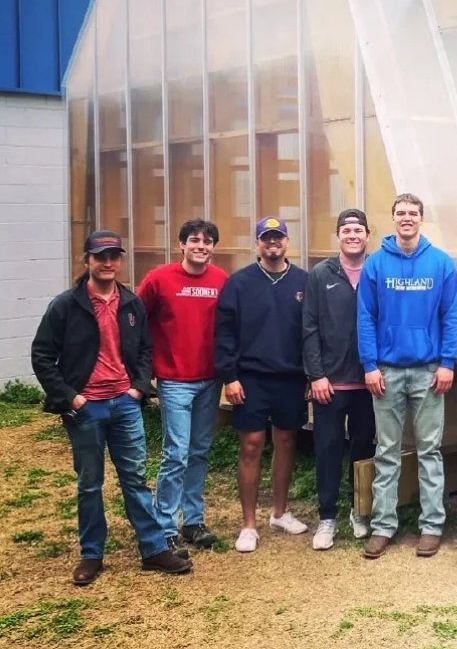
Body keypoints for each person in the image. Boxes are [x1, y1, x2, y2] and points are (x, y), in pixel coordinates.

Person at [30, 230, 192, 585]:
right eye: (100, 256)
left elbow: (146, 350)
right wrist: (71, 397)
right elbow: (42, 355)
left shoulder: (131, 303)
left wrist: (137, 388)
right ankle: (92, 555)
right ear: (87, 260)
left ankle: (153, 550)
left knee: (135, 479)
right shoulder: (66, 305)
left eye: (114, 256)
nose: (107, 263)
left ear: (120, 260)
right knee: (90, 483)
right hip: (86, 408)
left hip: (124, 405)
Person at [357, 194, 457, 560]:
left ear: (421, 219)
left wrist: (448, 362)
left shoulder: (441, 263)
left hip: (429, 370)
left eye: (413, 213)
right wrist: (369, 365)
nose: (406, 219)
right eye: (400, 213)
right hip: (386, 370)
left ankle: (431, 525)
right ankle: (384, 525)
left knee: (430, 449)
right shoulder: (376, 264)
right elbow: (366, 317)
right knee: (387, 450)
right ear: (393, 218)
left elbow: (451, 317)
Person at [214, 217, 310, 553]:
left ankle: (280, 513)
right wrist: (229, 375)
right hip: (250, 378)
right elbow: (224, 332)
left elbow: (310, 332)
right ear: (257, 244)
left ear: (287, 242)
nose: (273, 243)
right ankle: (249, 525)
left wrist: (311, 375)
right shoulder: (239, 283)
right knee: (251, 445)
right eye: (266, 238)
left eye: (278, 237)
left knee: (286, 440)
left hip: (290, 377)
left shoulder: (302, 281)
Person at [137, 218, 227, 556]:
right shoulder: (159, 279)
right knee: (176, 453)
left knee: (200, 451)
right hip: (174, 380)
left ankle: (193, 521)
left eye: (207, 241)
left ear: (213, 247)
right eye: (194, 240)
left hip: (209, 379)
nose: (201, 246)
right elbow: (135, 318)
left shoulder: (221, 280)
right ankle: (165, 525)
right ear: (181, 245)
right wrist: (143, 372)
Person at [302, 208, 377, 551]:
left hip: (367, 382)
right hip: (329, 384)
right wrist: (316, 374)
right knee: (328, 450)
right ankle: (328, 517)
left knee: (363, 449)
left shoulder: (377, 270)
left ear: (367, 235)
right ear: (338, 236)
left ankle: (360, 512)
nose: (352, 235)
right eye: (346, 229)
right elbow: (310, 326)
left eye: (358, 229)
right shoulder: (321, 274)